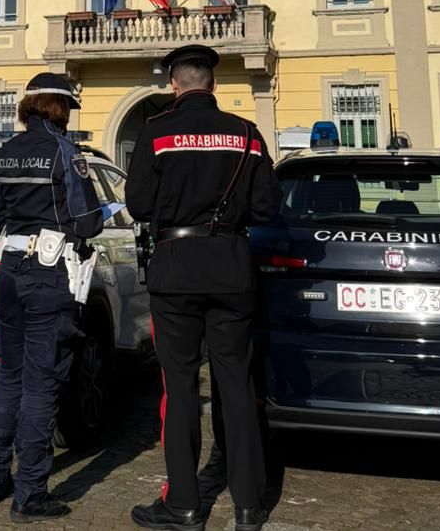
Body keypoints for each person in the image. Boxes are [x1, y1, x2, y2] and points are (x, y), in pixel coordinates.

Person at [126, 45, 281, 531]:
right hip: (232, 267)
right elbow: (266, 209)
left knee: (180, 388)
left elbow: (138, 205)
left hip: (176, 270)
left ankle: (184, 505)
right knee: (237, 384)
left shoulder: (155, 133)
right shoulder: (247, 135)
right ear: (213, 84)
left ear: (175, 84)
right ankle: (250, 505)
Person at [0, 72, 105, 524]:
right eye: (69, 108)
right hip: (50, 273)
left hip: (10, 271)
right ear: (59, 107)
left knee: (9, 375)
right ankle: (29, 493)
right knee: (41, 384)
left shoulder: (3, 152)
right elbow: (88, 222)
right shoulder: (66, 153)